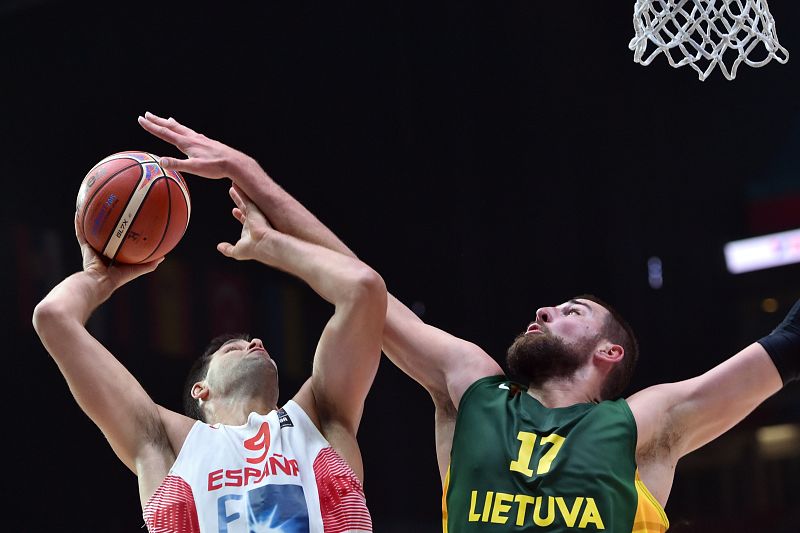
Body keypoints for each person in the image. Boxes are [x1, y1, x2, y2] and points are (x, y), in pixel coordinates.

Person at [139, 112, 799, 532]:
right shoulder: (472, 387)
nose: (543, 310)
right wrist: (252, 176)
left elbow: (787, 343)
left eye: (572, 312)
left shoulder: (648, 422)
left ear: (609, 354)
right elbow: (366, 291)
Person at [32, 176, 387, 531]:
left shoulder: (320, 421)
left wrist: (274, 246)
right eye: (234, 346)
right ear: (201, 389)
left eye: (255, 342)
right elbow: (53, 318)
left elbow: (364, 290)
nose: (256, 343)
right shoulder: (167, 444)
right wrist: (100, 278)